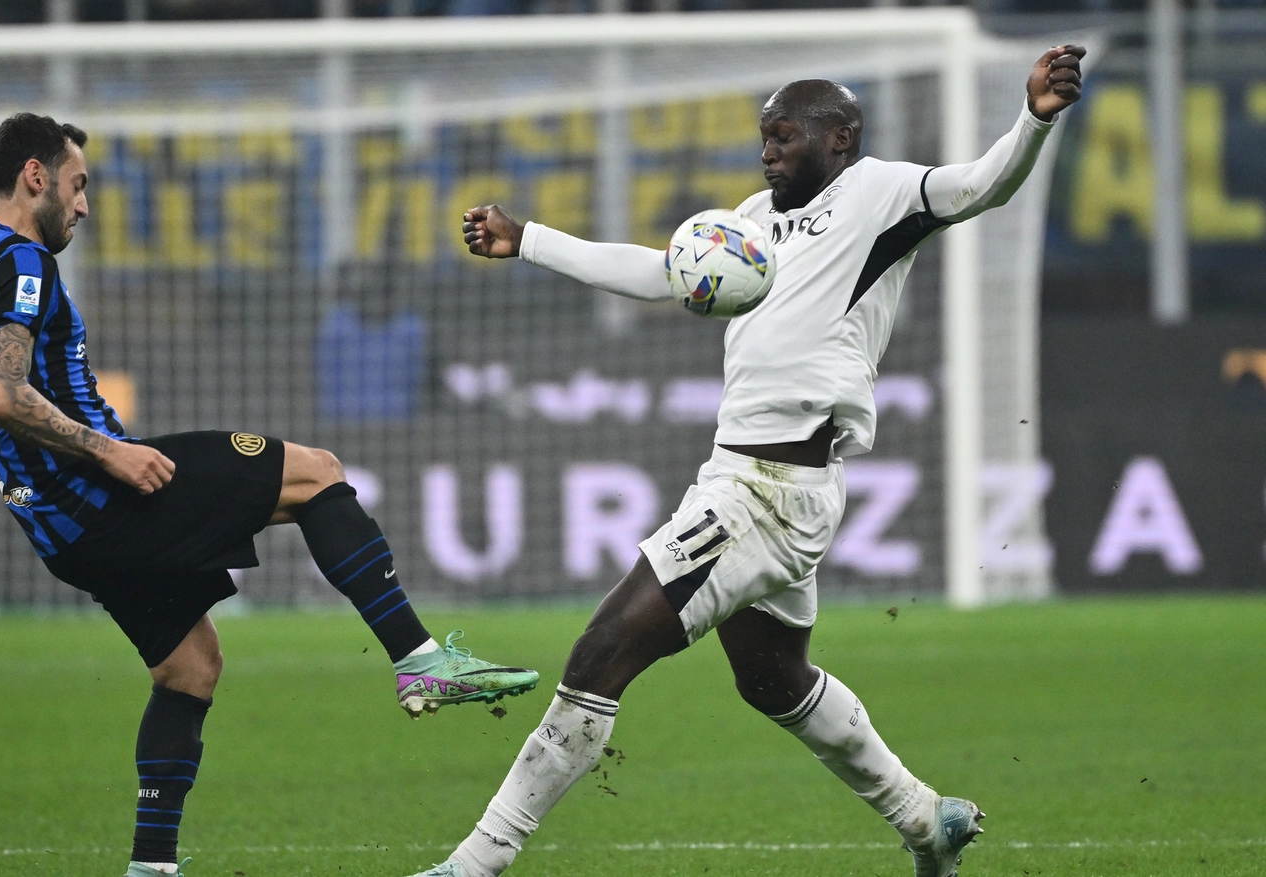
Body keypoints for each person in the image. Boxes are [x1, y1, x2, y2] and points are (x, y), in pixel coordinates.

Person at [402, 46, 1085, 877]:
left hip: (762, 492)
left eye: (785, 136)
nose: (767, 152)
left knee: (600, 652)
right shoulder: (749, 223)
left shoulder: (879, 195)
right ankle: (922, 816)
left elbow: (982, 184)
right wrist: (531, 239)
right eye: (764, 137)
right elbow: (660, 272)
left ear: (840, 139)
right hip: (758, 481)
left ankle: (477, 862)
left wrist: (1035, 120)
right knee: (772, 679)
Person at [0, 112, 539, 877]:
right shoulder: (22, 265)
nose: (84, 206)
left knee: (190, 668)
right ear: (35, 176)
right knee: (317, 469)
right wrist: (113, 452)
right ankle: (418, 658)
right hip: (108, 499)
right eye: (78, 185)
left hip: (61, 535)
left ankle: (151, 868)